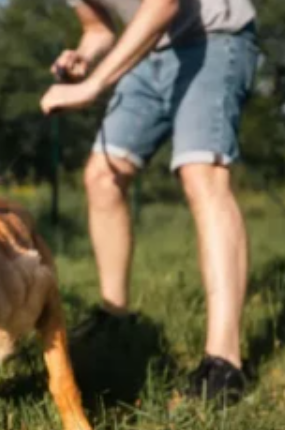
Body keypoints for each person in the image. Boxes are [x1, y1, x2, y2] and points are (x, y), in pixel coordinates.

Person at [40, 0, 258, 403]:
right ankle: (116, 316)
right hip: (148, 54)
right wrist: (84, 55)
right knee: (102, 177)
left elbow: (164, 4)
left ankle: (224, 364)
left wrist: (93, 85)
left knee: (201, 173)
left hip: (213, 38)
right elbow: (98, 28)